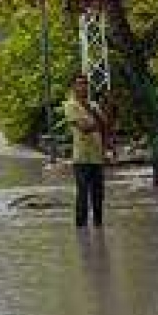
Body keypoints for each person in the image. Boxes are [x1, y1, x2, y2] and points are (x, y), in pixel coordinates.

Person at [63, 74, 110, 228]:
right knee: (82, 195)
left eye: (85, 84)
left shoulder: (93, 104)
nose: (83, 87)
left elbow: (105, 125)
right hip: (81, 158)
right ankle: (81, 230)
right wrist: (96, 121)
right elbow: (84, 128)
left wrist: (108, 148)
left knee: (98, 195)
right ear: (73, 87)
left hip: (97, 156)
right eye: (79, 84)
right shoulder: (70, 105)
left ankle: (98, 226)